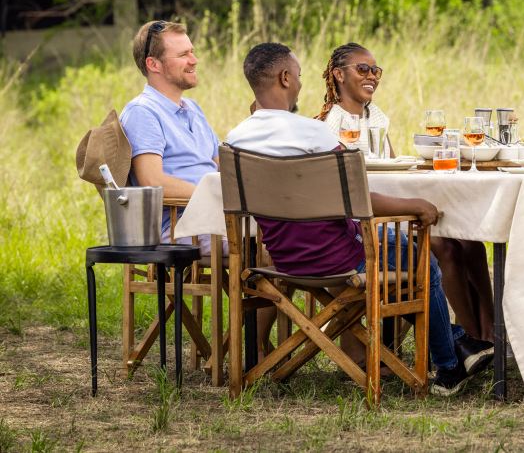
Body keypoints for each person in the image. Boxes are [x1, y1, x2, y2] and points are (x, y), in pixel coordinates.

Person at [228, 42, 492, 396]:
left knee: (410, 252)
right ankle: (448, 365)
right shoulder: (315, 134)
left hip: (283, 259)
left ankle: (457, 344)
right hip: (341, 255)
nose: (303, 83)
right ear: (286, 78)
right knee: (422, 260)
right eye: (300, 76)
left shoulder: (235, 139)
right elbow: (357, 198)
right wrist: (416, 204)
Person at [318, 43, 496, 343]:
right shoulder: (328, 125)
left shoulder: (376, 118)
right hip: (364, 221)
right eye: (362, 69)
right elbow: (343, 190)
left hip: (390, 209)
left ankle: (491, 333)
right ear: (338, 75)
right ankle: (468, 341)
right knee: (447, 248)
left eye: (376, 70)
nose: (371, 76)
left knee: (470, 241)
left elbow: (389, 170)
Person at [120, 20, 221, 254]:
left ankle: (261, 290)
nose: (194, 60)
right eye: (184, 54)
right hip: (180, 226)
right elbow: (153, 182)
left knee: (287, 229)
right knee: (273, 243)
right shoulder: (143, 112)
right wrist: (215, 197)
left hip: (214, 217)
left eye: (192, 52)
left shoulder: (193, 109)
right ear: (153, 64)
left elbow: (222, 165)